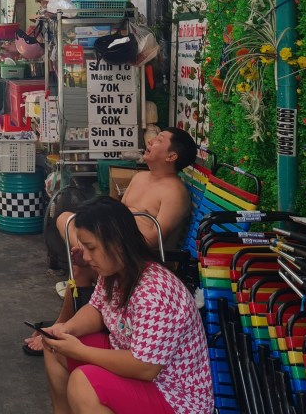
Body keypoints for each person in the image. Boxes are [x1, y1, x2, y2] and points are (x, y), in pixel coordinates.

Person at [26, 127, 197, 354]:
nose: (151, 141)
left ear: (171, 156)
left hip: (136, 259)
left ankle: (63, 325)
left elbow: (153, 240)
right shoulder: (140, 177)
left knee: (81, 266)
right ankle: (68, 322)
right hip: (112, 246)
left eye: (159, 139)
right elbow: (116, 216)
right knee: (66, 219)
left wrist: (110, 248)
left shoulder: (175, 192)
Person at [35, 196, 213, 414]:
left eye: (91, 247)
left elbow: (145, 367)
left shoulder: (155, 293)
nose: (86, 257)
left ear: (117, 244)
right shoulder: (115, 271)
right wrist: (66, 329)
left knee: (84, 385)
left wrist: (80, 351)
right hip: (131, 359)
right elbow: (96, 309)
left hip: (173, 395)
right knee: (55, 345)